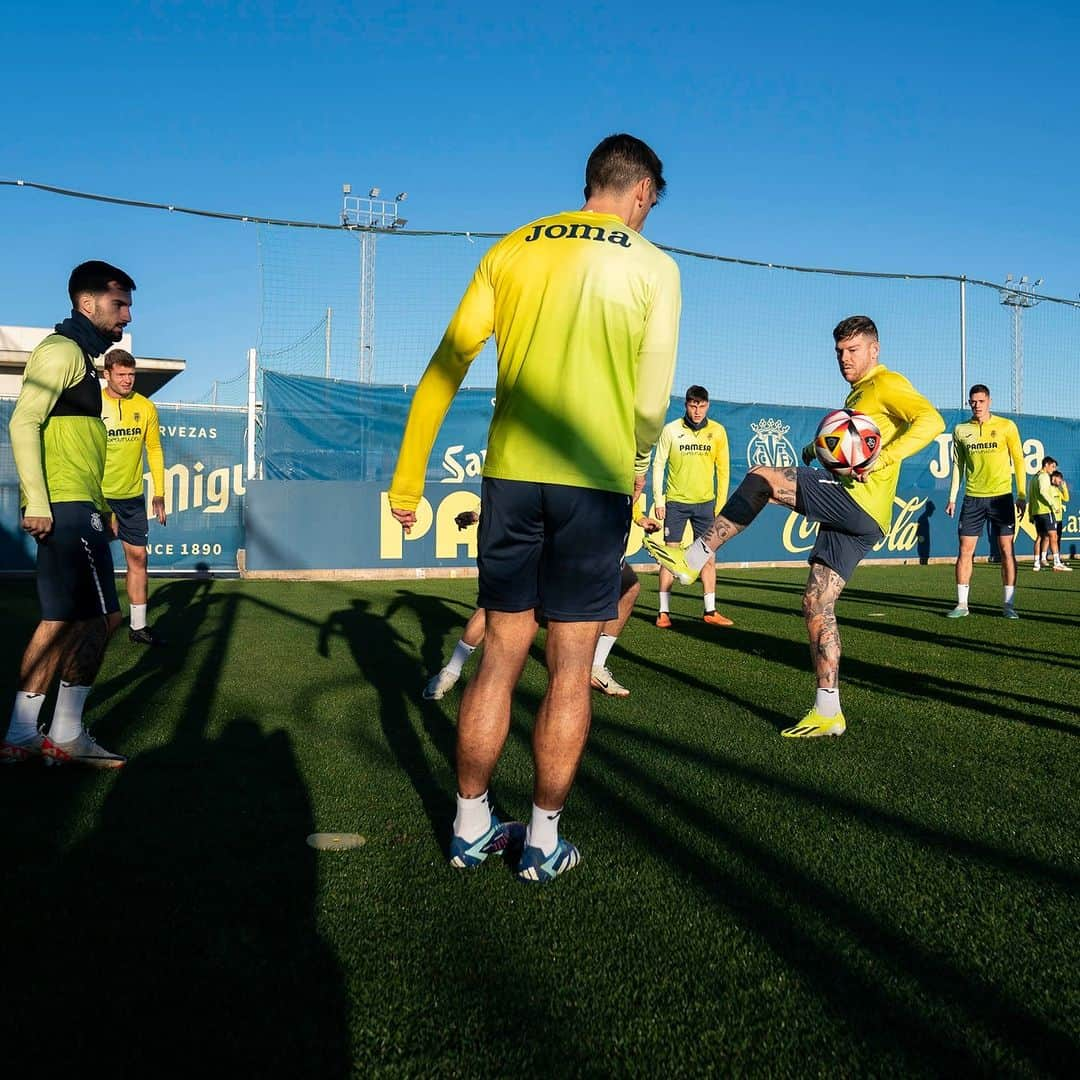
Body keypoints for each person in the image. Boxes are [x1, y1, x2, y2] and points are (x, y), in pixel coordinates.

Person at [389, 134, 680, 882]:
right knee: (572, 666)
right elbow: (650, 406)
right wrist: (638, 463)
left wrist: (408, 480)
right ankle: (544, 841)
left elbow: (447, 364)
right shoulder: (654, 266)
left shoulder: (512, 248)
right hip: (594, 481)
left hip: (511, 478)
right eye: (652, 202)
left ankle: (469, 827)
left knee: (500, 655)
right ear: (642, 191)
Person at [647, 315, 944, 738]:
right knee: (816, 604)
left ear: (874, 349)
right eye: (839, 351)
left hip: (855, 499)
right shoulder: (858, 393)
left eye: (853, 350)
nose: (844, 358)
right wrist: (812, 448)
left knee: (763, 477)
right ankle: (828, 711)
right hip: (863, 520)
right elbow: (845, 441)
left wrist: (883, 458)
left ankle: (693, 558)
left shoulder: (887, 382)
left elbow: (931, 421)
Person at [2, 261, 136, 767]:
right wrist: (37, 501)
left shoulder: (82, 356)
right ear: (87, 303)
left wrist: (102, 506)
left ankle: (21, 735)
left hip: (79, 504)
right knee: (103, 618)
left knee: (59, 619)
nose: (125, 315)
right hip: (64, 505)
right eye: (118, 304)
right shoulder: (60, 353)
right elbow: (24, 423)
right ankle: (67, 733)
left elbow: (73, 440)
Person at [424, 508, 661, 701]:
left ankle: (596, 666)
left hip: (577, 527)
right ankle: (451, 671)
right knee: (501, 605)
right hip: (552, 529)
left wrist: (638, 517)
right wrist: (479, 511)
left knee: (629, 585)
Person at [101, 348, 168, 644]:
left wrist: (159, 493)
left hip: (132, 498)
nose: (128, 380)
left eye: (131, 374)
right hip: (97, 497)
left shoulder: (145, 407)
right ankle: (92, 622)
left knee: (139, 558)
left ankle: (138, 627)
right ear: (107, 375)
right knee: (93, 562)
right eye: (122, 375)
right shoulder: (92, 405)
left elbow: (153, 449)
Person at [651, 385, 733, 628]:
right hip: (675, 503)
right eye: (693, 405)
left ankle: (710, 611)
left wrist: (720, 504)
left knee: (708, 558)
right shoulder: (671, 430)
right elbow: (658, 464)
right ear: (686, 405)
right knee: (669, 557)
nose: (697, 411)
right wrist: (659, 500)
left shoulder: (717, 432)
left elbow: (724, 470)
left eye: (702, 405)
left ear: (708, 405)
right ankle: (663, 613)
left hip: (705, 505)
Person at [944, 384, 1025, 619]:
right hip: (973, 498)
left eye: (980, 401)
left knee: (1006, 550)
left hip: (1001, 498)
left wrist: (1021, 494)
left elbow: (1018, 460)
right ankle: (962, 605)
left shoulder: (1006, 426)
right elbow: (958, 466)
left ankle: (1009, 606)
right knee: (965, 551)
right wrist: (952, 497)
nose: (976, 405)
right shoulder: (960, 430)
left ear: (989, 401)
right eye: (972, 402)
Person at [1028, 457, 1071, 571]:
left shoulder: (1033, 478)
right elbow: (1043, 492)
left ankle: (1037, 563)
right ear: (1046, 464)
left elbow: (1031, 497)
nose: (1053, 469)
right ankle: (1057, 562)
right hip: (1046, 511)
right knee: (1053, 536)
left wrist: (1030, 514)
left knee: (1040, 537)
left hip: (1037, 512)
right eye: (1052, 466)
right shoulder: (1043, 476)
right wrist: (1053, 504)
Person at [1048, 471, 1069, 564]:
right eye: (1059, 478)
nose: (1060, 480)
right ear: (1054, 478)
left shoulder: (1057, 489)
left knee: (1058, 538)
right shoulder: (1050, 489)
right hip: (1052, 518)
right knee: (1051, 538)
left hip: (1059, 518)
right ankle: (1044, 558)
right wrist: (1054, 508)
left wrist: (1064, 488)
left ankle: (1057, 558)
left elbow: (1066, 499)